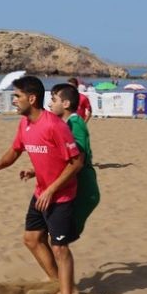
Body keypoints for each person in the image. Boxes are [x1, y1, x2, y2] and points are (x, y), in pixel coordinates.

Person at [0, 76, 84, 294]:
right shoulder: (24, 124)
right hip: (41, 192)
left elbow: (77, 162)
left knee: (60, 248)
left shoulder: (55, 126)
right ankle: (57, 282)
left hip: (60, 195)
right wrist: (0, 165)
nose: (14, 100)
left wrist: (52, 189)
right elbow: (16, 150)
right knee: (31, 239)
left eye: (17, 96)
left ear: (31, 99)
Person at [47, 83, 100, 239]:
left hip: (84, 191)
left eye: (53, 100)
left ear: (66, 104)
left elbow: (78, 162)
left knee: (60, 241)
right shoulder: (66, 123)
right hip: (74, 189)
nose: (50, 104)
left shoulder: (75, 123)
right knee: (55, 238)